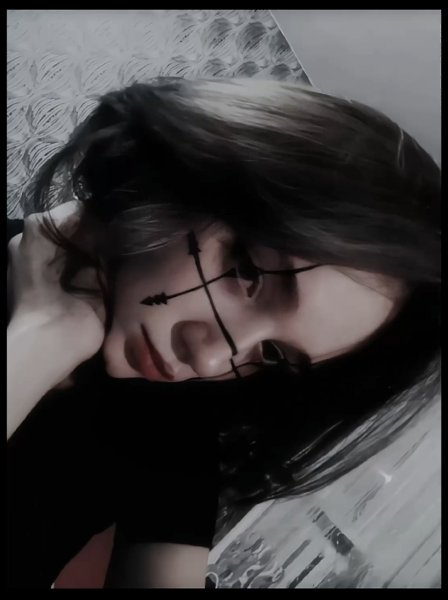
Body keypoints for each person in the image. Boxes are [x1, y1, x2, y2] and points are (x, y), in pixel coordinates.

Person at [7, 77, 440, 588]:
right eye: (247, 272)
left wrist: (56, 332)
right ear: (181, 177)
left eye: (273, 353)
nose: (212, 362)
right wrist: (39, 341)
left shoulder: (171, 429)